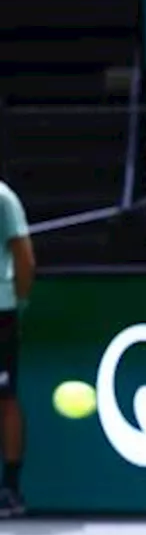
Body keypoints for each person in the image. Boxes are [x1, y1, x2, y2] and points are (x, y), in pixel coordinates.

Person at [0, 178, 34, 516]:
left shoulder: (3, 197)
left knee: (4, 398)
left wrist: (18, 304)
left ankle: (10, 490)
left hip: (0, 312)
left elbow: (24, 258)